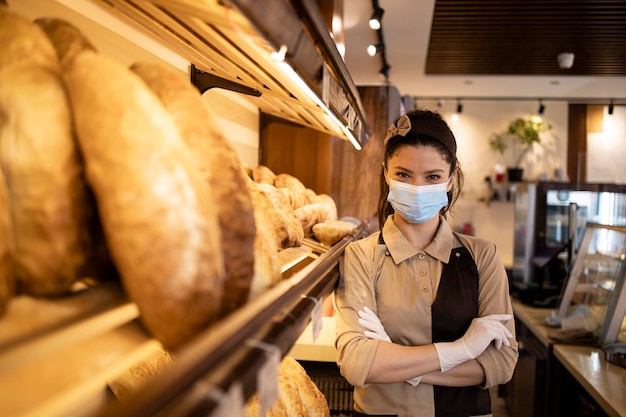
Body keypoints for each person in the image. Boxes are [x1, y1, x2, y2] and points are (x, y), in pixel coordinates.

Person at [334, 109, 518, 417]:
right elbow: (355, 362)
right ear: (385, 175)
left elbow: (501, 363)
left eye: (432, 176)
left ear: (450, 180)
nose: (417, 188)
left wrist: (399, 365)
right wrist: (463, 350)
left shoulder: (482, 256)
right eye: (403, 175)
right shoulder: (360, 255)